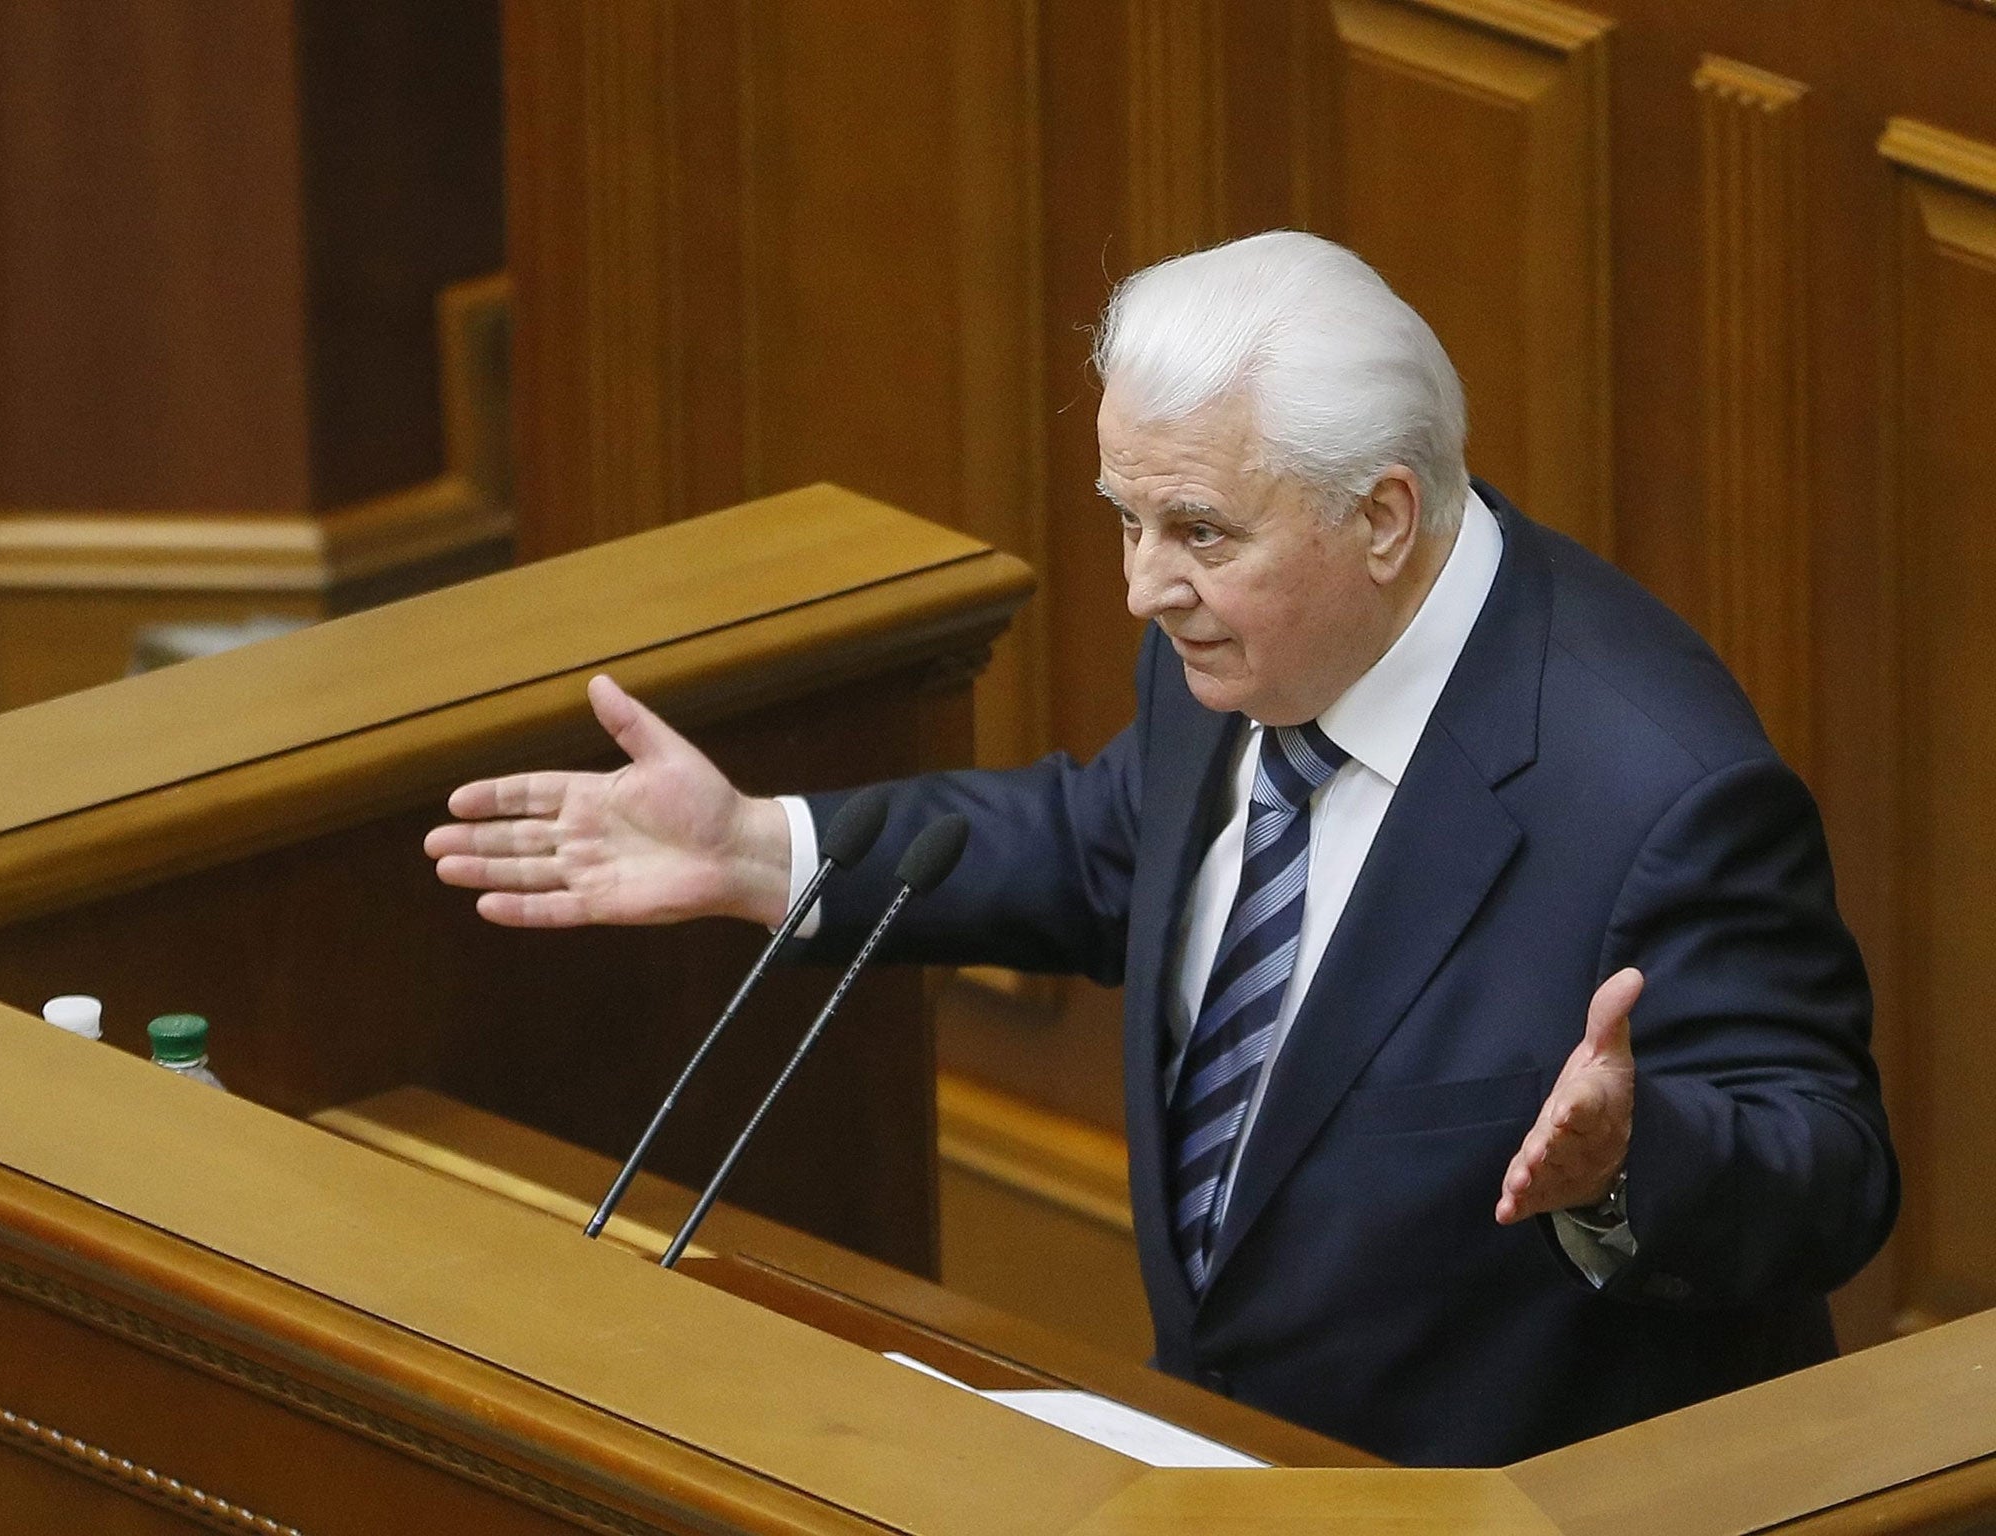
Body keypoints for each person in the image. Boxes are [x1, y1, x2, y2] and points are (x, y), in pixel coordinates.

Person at [425, 231, 1897, 1466]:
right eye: (1126, 518)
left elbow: (1827, 1166)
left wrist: (1630, 1164)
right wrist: (763, 850)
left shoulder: (1660, 787)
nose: (1143, 588)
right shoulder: (1246, 655)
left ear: (1383, 515)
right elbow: (1107, 847)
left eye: (1195, 531)